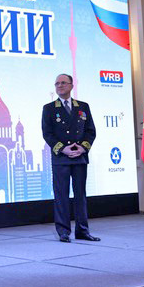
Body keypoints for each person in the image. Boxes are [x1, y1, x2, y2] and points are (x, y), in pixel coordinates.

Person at [42, 73, 100, 243]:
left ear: (71, 85)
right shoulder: (49, 108)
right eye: (57, 83)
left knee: (80, 195)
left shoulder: (83, 106)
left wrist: (83, 148)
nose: (59, 86)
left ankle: (82, 230)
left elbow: (90, 131)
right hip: (61, 158)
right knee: (61, 196)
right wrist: (63, 149)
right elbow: (47, 133)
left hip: (79, 157)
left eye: (63, 82)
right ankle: (63, 231)